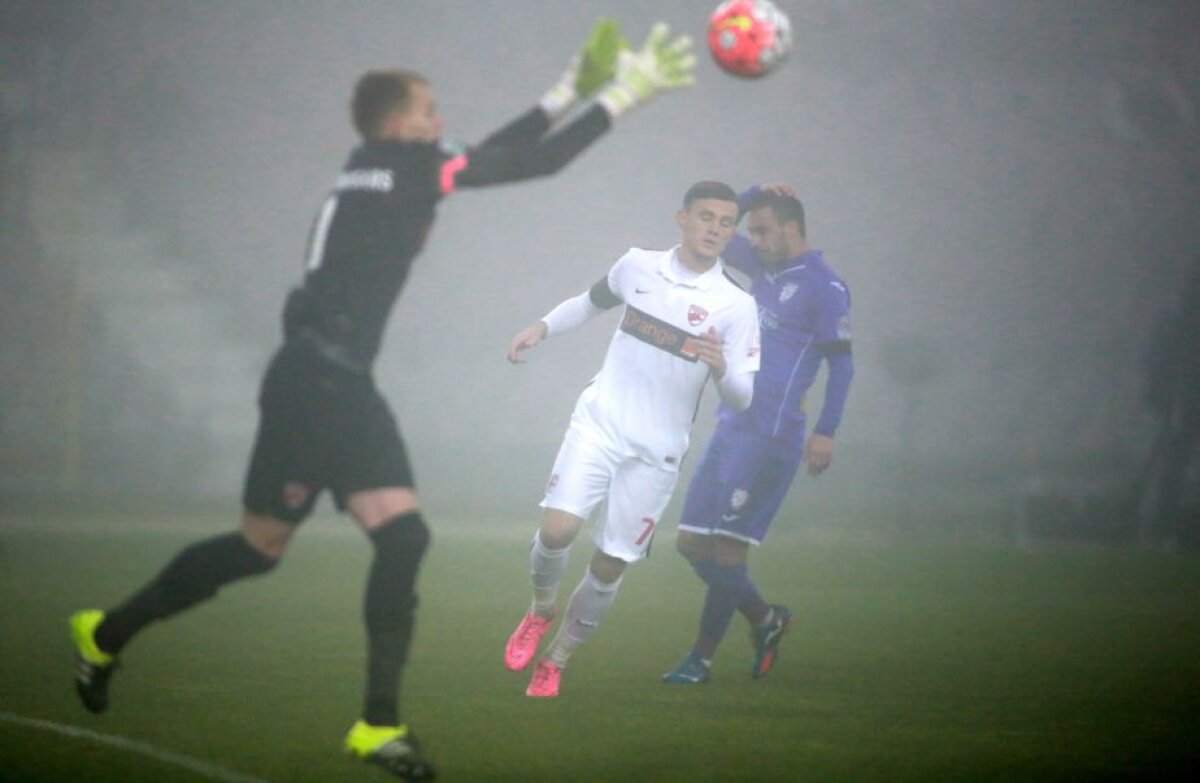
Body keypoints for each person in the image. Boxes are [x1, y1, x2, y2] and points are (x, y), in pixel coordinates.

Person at [68, 19, 696, 781]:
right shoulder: (395, 168)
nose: (439, 121)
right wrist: (627, 96)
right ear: (397, 121)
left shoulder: (385, 165)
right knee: (258, 549)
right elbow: (531, 165)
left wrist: (569, 91)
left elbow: (491, 153)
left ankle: (376, 725)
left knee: (401, 541)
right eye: (428, 110)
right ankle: (105, 632)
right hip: (310, 383)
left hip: (341, 386)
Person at [502, 180, 762, 699]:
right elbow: (590, 302)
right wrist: (543, 327)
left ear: (731, 233)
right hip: (600, 423)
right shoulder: (638, 265)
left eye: (726, 222)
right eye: (706, 216)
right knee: (556, 531)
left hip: (657, 451)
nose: (715, 228)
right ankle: (540, 610)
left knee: (609, 563)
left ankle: (556, 660)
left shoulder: (736, 305)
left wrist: (720, 370)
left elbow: (742, 398)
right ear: (682, 218)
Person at [661, 184, 854, 685]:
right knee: (687, 543)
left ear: (793, 228)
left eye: (763, 229)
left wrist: (825, 431)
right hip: (732, 426)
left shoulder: (824, 287)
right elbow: (720, 229)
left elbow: (843, 364)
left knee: (728, 552)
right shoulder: (765, 265)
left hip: (772, 437)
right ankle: (768, 620)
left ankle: (699, 660)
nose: (753, 238)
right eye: (752, 230)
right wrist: (752, 195)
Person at [1139, 264, 1200, 549]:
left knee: (1172, 464)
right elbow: (1162, 358)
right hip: (1184, 400)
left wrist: (1157, 394)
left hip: (1182, 401)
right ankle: (1163, 525)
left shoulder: (1176, 317)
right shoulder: (1179, 319)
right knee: (1172, 464)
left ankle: (1163, 525)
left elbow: (1160, 359)